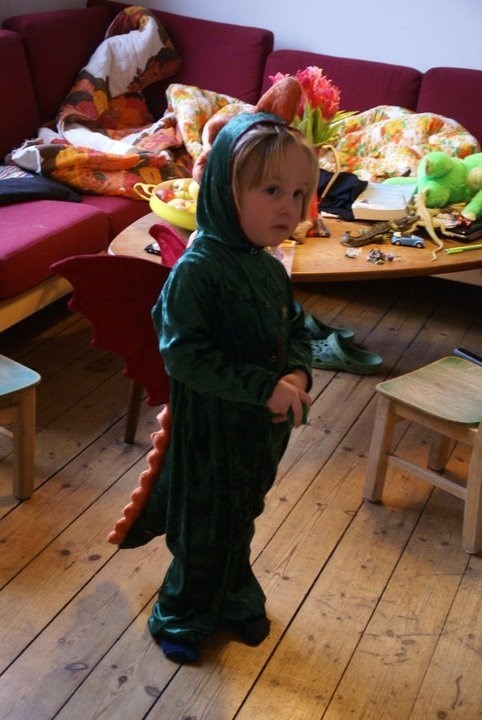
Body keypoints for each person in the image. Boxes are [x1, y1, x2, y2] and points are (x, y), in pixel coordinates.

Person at [125, 111, 319, 664]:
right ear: (222, 190)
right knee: (203, 522)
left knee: (242, 513)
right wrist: (263, 387)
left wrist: (297, 373)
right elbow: (185, 355)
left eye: (299, 193)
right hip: (208, 433)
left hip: (259, 431)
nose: (289, 207)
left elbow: (295, 328)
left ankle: (234, 592)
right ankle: (182, 612)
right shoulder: (198, 270)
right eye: (272, 190)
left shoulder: (268, 268)